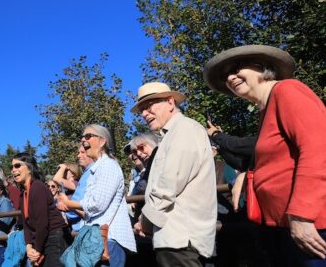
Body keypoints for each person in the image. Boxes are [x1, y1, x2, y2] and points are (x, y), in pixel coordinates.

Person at [203, 44, 326, 264]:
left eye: (237, 67)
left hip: (310, 226)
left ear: (263, 67)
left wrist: (302, 215)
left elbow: (319, 148)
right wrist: (250, 173)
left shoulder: (287, 90)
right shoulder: (265, 110)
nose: (231, 77)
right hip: (282, 225)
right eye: (225, 75)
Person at [131, 81, 217, 266]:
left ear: (170, 102)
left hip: (181, 239)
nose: (144, 114)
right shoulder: (174, 134)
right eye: (142, 110)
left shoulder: (185, 129)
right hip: (177, 238)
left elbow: (167, 186)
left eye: (149, 106)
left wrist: (145, 220)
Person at [57, 125, 137, 267]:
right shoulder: (98, 168)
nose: (83, 140)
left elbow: (97, 204)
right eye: (82, 137)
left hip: (108, 240)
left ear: (102, 141)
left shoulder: (108, 166)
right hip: (97, 240)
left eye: (88, 136)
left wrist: (69, 204)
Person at [12, 152, 68, 266]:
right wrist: (29, 248)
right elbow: (26, 225)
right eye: (12, 167)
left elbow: (42, 223)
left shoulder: (38, 187)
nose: (13, 170)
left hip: (54, 238)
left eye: (17, 165)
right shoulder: (23, 195)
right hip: (41, 241)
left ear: (29, 168)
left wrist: (37, 251)